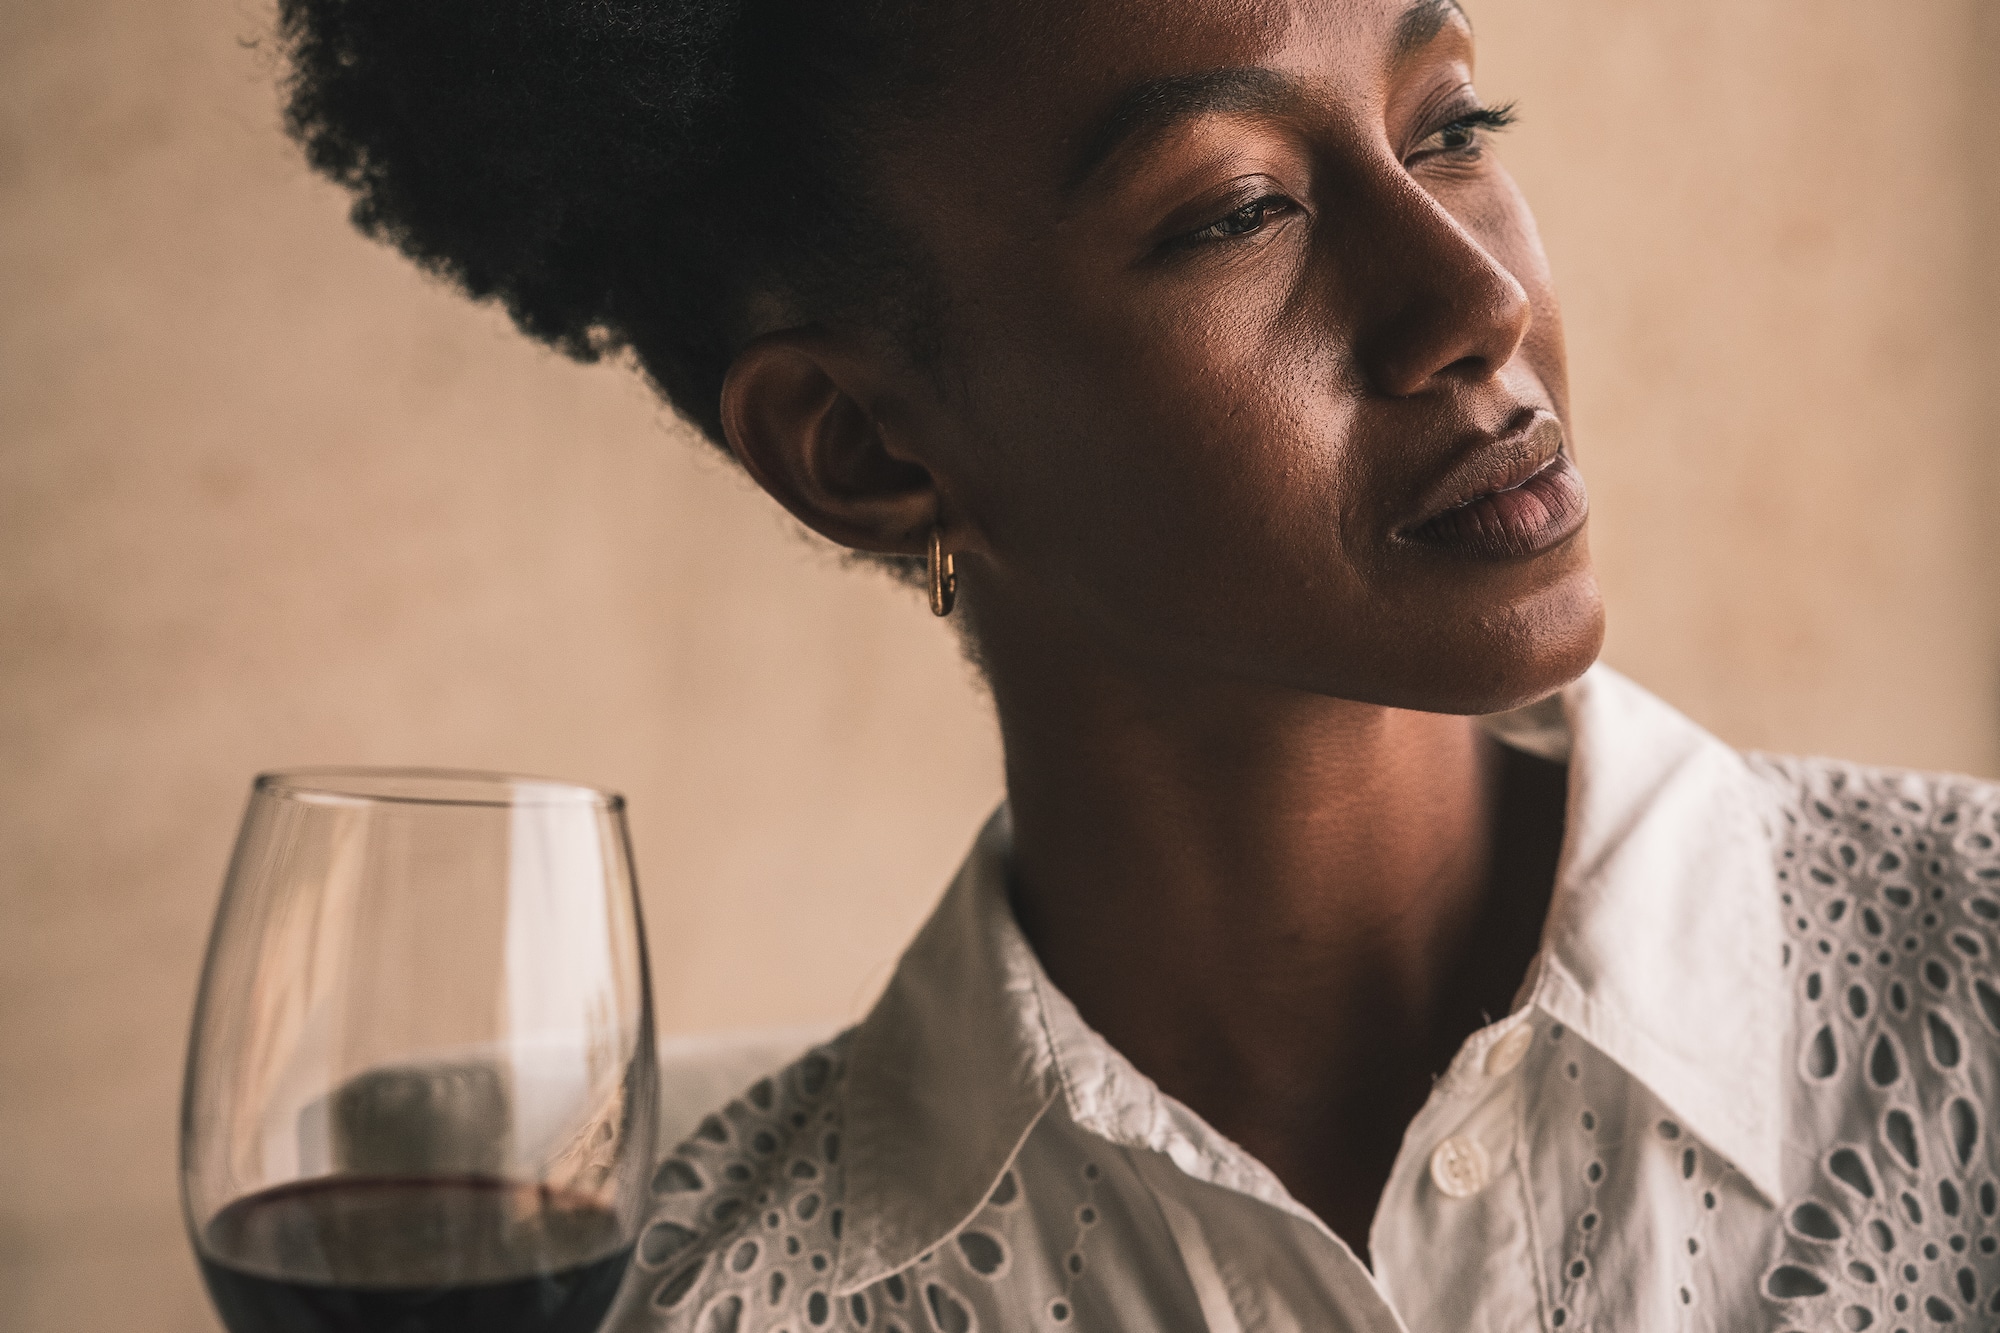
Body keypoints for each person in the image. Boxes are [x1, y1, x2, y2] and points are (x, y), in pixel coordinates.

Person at [274, 0, 2000, 1328]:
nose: (1475, 296)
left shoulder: (1965, 992)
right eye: (1239, 210)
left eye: (1452, 122)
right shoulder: (691, 1290)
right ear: (865, 444)